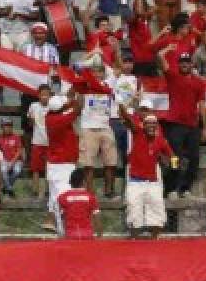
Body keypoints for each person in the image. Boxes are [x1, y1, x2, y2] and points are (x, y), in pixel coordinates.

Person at [117, 98, 172, 239]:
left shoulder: (161, 140)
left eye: (154, 124)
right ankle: (135, 238)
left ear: (157, 125)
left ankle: (155, 238)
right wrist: (121, 105)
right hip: (135, 181)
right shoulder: (138, 133)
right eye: (148, 124)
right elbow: (127, 119)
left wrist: (175, 165)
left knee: (157, 210)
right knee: (133, 209)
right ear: (144, 125)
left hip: (153, 182)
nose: (151, 126)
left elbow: (172, 156)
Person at [157, 51, 206, 198]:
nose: (185, 64)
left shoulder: (199, 82)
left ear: (192, 64)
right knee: (174, 157)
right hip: (175, 125)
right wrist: (166, 48)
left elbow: (203, 105)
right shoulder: (172, 76)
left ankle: (185, 188)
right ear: (178, 64)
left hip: (192, 125)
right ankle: (171, 188)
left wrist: (204, 127)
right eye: (182, 62)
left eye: (187, 62)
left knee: (194, 158)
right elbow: (160, 57)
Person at [76, 59, 119, 198]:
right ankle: (90, 192)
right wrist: (89, 62)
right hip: (88, 127)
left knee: (111, 161)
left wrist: (100, 57)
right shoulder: (85, 84)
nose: (97, 74)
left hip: (105, 126)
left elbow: (117, 67)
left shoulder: (109, 84)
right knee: (88, 163)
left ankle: (109, 191)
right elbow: (76, 66)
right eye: (94, 71)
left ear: (104, 73)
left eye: (100, 71)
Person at [44, 92, 81, 234]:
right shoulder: (59, 119)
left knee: (55, 198)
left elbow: (67, 106)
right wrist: (80, 94)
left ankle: (59, 229)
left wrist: (69, 99)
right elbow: (77, 109)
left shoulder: (50, 115)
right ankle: (63, 230)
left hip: (56, 164)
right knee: (63, 198)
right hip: (62, 166)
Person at [57, 168, 102, 239]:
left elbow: (63, 218)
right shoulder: (91, 197)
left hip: (71, 234)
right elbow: (97, 218)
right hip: (87, 234)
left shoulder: (62, 197)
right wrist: (99, 235)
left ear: (70, 182)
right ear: (84, 182)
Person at [25, 84, 52, 199]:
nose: (44, 97)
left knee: (48, 168)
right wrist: (30, 118)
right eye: (42, 94)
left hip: (50, 142)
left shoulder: (53, 107)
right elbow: (30, 124)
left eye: (47, 94)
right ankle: (35, 191)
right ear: (38, 95)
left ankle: (48, 191)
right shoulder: (33, 106)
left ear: (50, 96)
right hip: (37, 141)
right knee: (35, 168)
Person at [0, 118, 24, 197]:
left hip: (16, 160)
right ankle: (10, 189)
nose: (7, 128)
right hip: (4, 160)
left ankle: (6, 187)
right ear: (2, 127)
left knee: (17, 171)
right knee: (3, 170)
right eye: (5, 126)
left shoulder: (16, 137)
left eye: (9, 126)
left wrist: (12, 162)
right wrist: (1, 161)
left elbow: (19, 151)